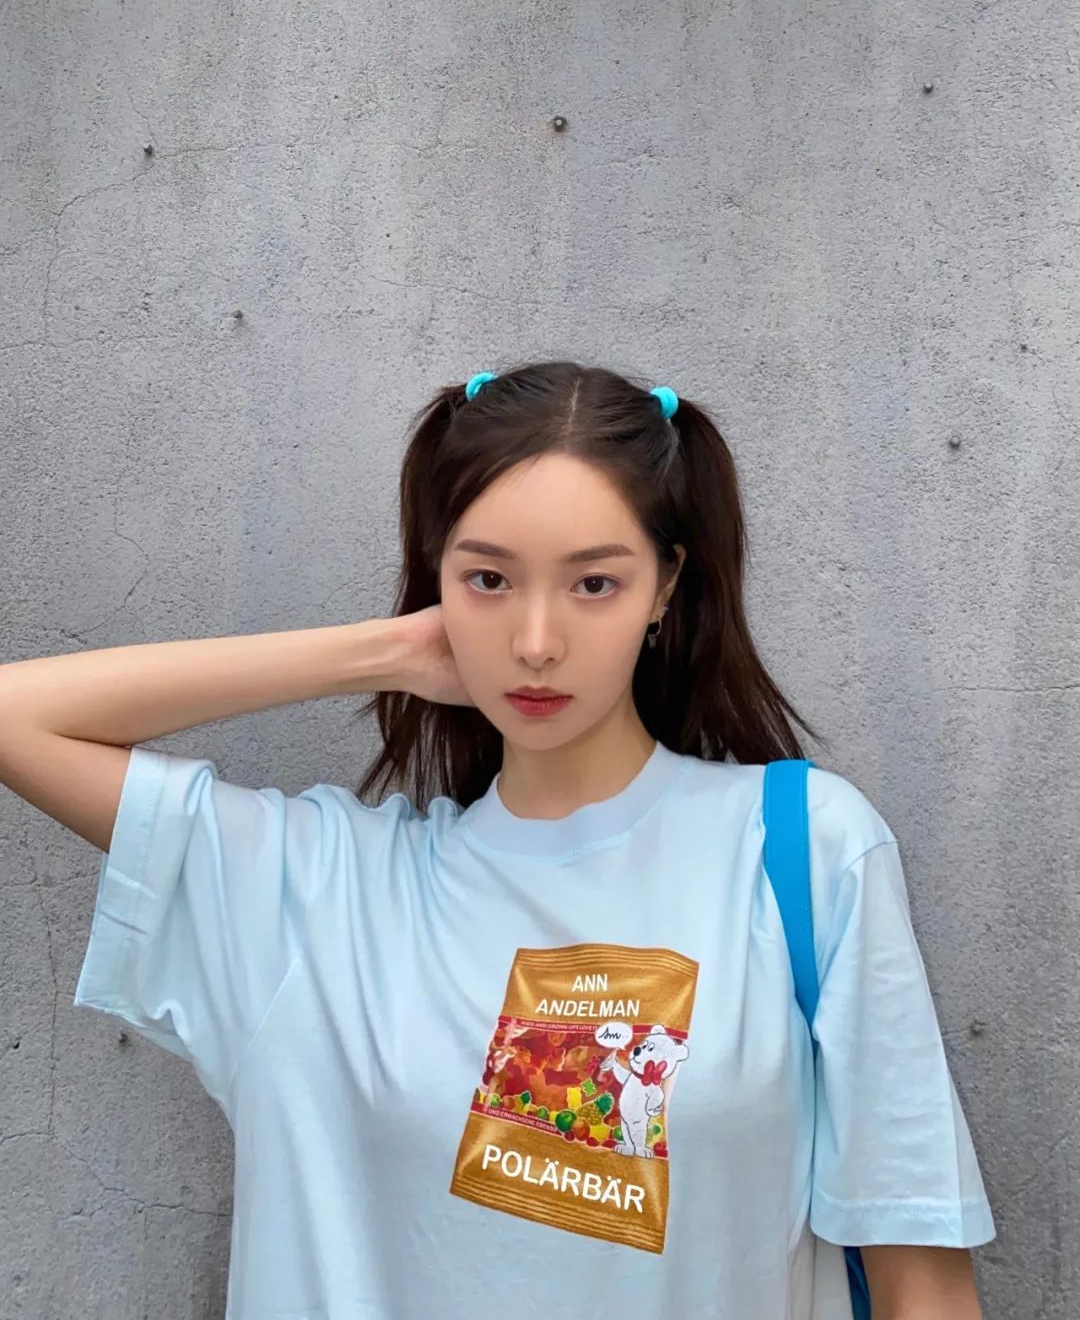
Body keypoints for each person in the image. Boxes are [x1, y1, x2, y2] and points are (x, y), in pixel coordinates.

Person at [0, 360, 995, 1319]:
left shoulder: (802, 851)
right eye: (489, 579)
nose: (536, 641)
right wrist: (383, 649)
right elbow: (16, 718)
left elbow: (926, 1292)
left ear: (666, 586)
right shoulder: (320, 893)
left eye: (593, 583)